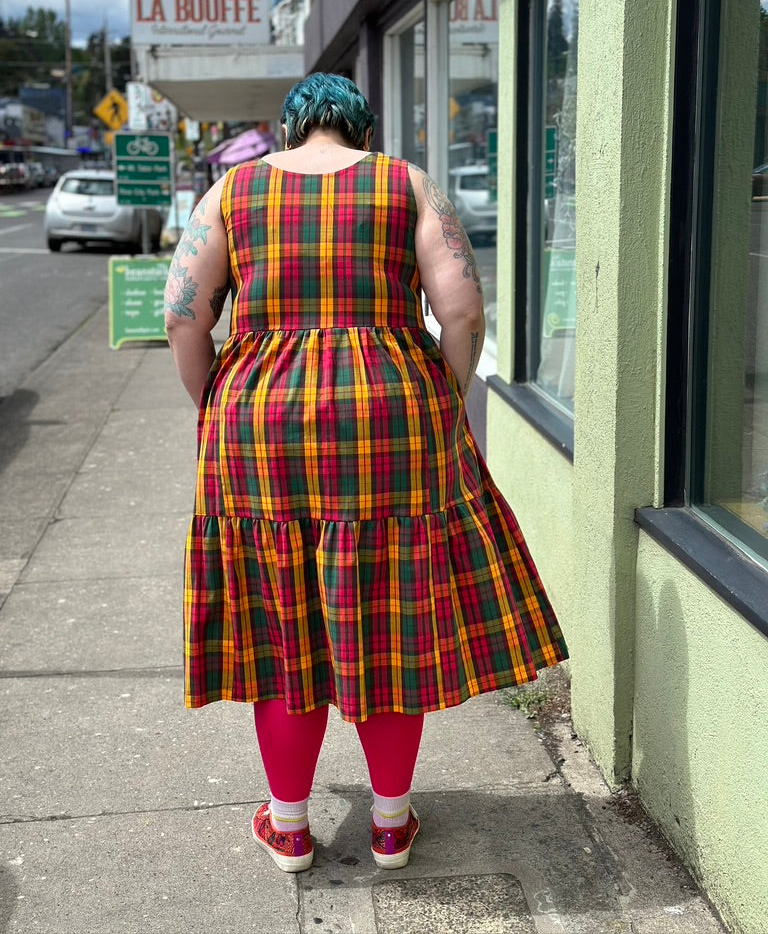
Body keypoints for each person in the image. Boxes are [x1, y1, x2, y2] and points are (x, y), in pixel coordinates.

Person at [164, 72, 568, 874]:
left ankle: (288, 826)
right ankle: (389, 824)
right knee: (385, 621)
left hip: (258, 420)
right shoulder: (403, 182)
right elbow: (462, 310)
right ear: (361, 128)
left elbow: (182, 313)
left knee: (284, 625)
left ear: (290, 128)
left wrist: (214, 401)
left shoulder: (232, 192)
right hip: (390, 417)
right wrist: (440, 397)